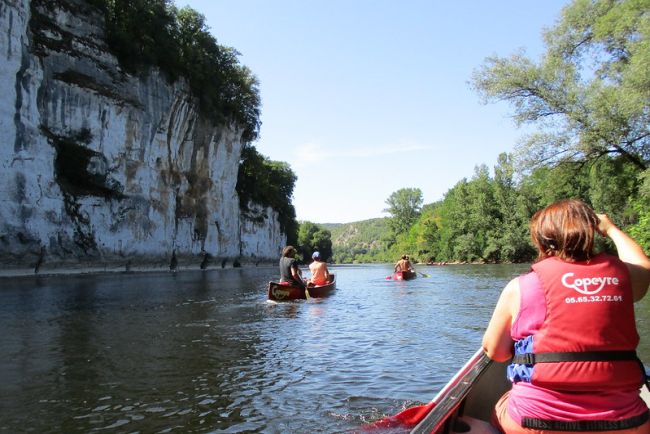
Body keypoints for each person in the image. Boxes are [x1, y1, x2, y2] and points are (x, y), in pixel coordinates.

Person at [482, 199, 650, 433]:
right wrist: (610, 229)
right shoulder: (623, 277)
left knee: (498, 408)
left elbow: (496, 352)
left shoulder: (521, 286)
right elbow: (643, 265)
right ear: (591, 231)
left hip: (537, 424)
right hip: (626, 424)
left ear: (541, 239)